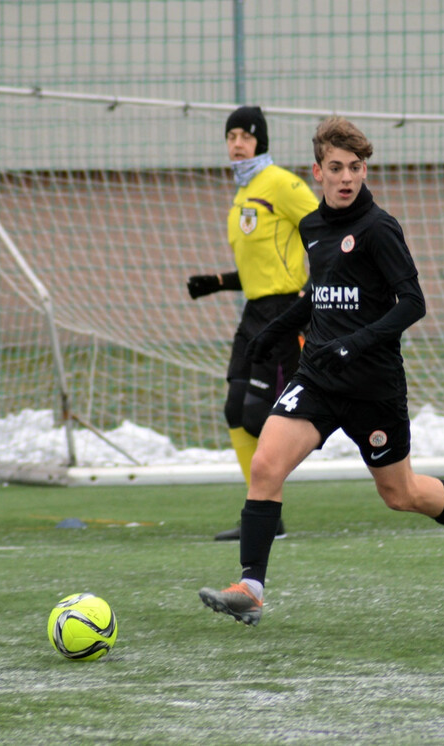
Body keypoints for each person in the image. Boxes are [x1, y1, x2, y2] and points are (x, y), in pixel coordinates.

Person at [198, 117, 444, 626]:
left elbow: (413, 303)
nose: (347, 178)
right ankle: (251, 587)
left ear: (364, 171)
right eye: (337, 168)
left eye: (357, 168)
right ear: (317, 172)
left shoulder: (379, 229)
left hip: (372, 385)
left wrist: (354, 344)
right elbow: (320, 295)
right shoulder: (313, 227)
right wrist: (277, 329)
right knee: (265, 466)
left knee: (401, 494)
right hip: (319, 377)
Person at [187, 106, 319, 541]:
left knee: (260, 413)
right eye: (231, 136)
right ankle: (264, 518)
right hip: (254, 314)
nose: (237, 143)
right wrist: (219, 282)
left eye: (245, 135)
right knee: (234, 410)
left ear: (261, 140)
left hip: (285, 314)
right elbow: (261, 269)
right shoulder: (243, 194)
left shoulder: (281, 183)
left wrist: (315, 290)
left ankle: (317, 432)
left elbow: (326, 233)